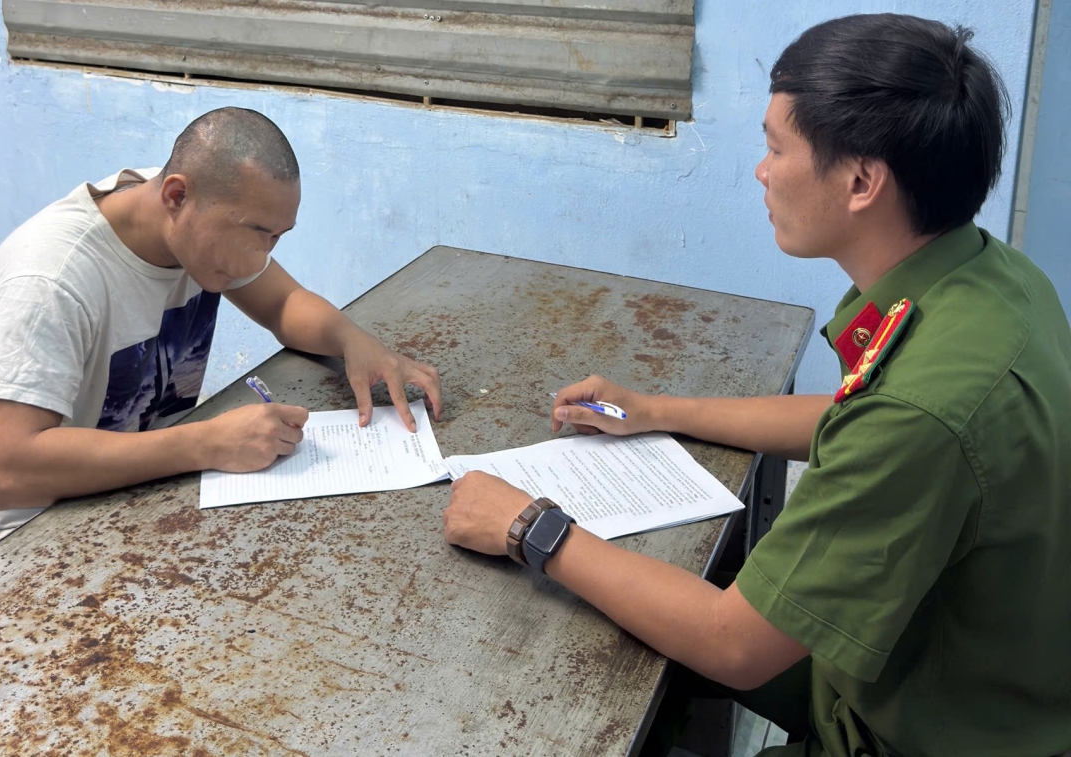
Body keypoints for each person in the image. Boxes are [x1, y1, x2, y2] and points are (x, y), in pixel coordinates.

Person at [443, 14, 1071, 757]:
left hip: (915, 725)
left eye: (777, 148)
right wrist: (654, 410)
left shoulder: (924, 408)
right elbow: (852, 418)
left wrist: (531, 527)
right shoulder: (992, 278)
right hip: (939, 660)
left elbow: (734, 642)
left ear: (863, 180)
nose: (761, 171)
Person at [0, 107, 442, 569]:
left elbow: (284, 303)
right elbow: (6, 472)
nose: (261, 258)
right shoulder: (49, 282)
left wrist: (355, 342)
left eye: (277, 238)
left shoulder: (192, 218)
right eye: (258, 233)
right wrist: (207, 442)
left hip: (125, 490)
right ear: (175, 196)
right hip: (14, 537)